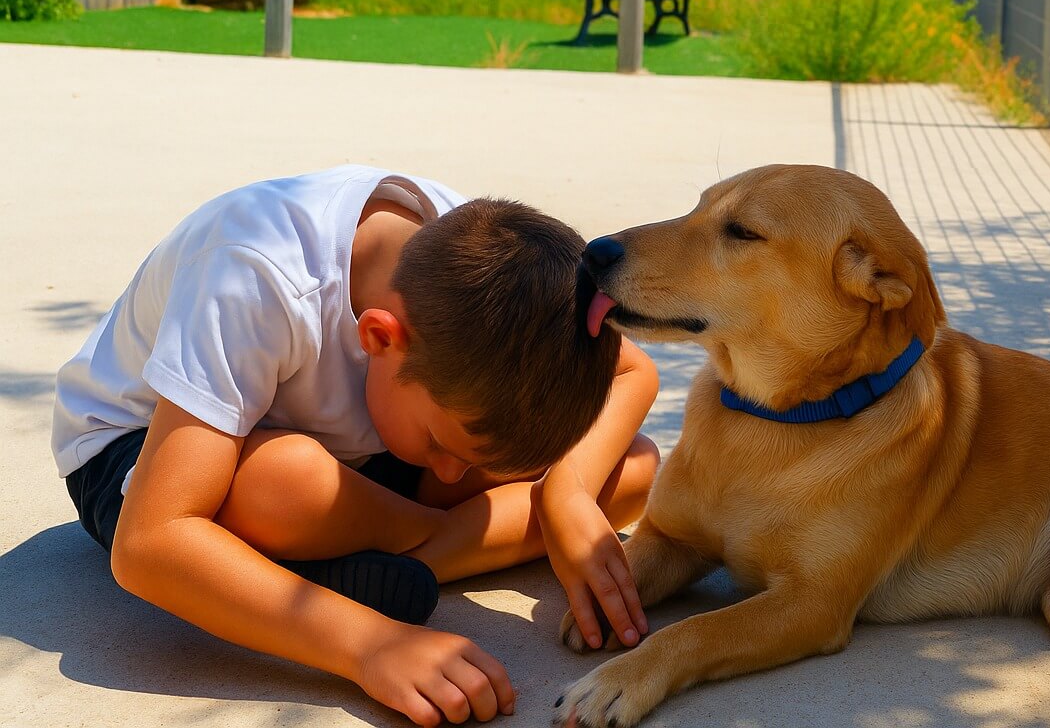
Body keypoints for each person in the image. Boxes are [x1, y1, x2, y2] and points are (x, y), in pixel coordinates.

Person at [51, 165, 659, 726]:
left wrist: (569, 493)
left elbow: (633, 372)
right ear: (378, 335)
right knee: (285, 482)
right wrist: (371, 645)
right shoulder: (253, 272)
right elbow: (149, 543)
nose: (453, 478)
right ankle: (382, 553)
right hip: (136, 453)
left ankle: (354, 563)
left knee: (632, 468)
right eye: (444, 446)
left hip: (356, 449)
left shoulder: (488, 266)